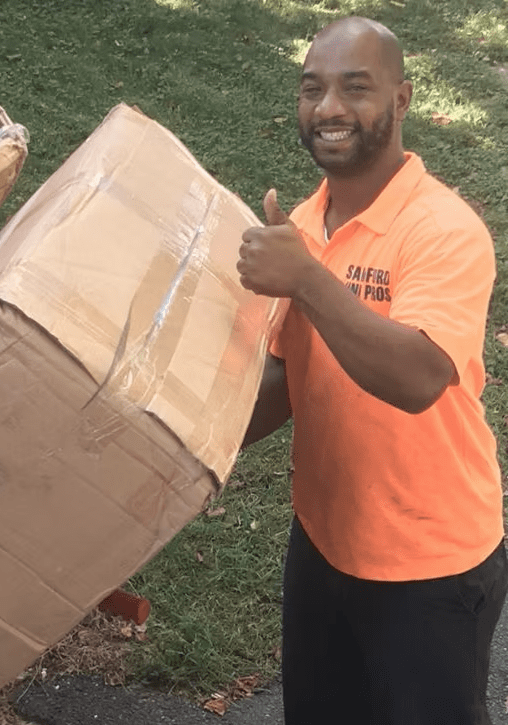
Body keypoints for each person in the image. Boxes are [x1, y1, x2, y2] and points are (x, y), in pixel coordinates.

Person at [237, 15, 507, 725]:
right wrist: (180, 439)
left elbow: (417, 377)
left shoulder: (442, 229)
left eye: (354, 88)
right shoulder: (302, 224)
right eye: (311, 89)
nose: (327, 108)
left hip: (430, 559)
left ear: (402, 99)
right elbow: (282, 384)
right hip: (324, 539)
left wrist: (306, 279)